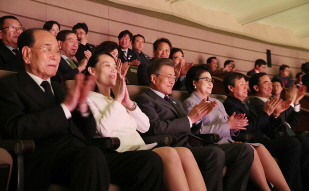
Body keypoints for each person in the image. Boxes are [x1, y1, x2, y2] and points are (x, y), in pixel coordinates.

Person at [0, 29, 164, 191]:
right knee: (91, 155)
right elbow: (15, 128)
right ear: (27, 54)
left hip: (83, 152)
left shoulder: (60, 89)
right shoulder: (10, 86)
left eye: (57, 51)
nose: (54, 56)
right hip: (46, 159)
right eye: (47, 49)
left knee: (149, 161)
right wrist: (65, 108)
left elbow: (87, 132)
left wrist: (83, 110)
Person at [86, 52, 207, 191]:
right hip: (119, 152)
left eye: (115, 66)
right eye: (107, 65)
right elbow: (104, 129)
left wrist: (127, 102)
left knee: (185, 152)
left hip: (140, 147)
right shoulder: (88, 98)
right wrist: (118, 99)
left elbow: (144, 126)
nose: (113, 69)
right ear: (92, 70)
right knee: (169, 153)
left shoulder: (120, 100)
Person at [135, 58, 254, 191]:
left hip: (191, 144)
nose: (172, 80)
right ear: (153, 78)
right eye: (169, 76)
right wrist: (191, 119)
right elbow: (156, 128)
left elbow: (193, 126)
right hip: (173, 147)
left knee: (245, 150)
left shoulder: (175, 101)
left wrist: (197, 118)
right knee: (214, 153)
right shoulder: (145, 99)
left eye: (174, 77)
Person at [183, 65, 290, 191]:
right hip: (211, 144)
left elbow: (229, 127)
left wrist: (235, 126)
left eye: (211, 80)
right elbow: (197, 131)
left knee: (258, 147)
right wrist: (227, 125)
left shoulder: (217, 102)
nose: (210, 83)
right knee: (247, 149)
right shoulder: (190, 103)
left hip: (229, 142)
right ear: (194, 82)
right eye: (206, 79)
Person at [223, 72, 306, 190]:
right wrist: (266, 113)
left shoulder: (246, 104)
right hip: (252, 142)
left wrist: (275, 115)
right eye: (242, 84)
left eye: (245, 84)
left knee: (301, 140)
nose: (246, 87)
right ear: (231, 88)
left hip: (263, 138)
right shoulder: (230, 105)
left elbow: (264, 127)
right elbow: (246, 128)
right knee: (292, 144)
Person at [248, 72, 309, 190]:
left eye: (271, 82)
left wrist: (295, 102)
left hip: (285, 133)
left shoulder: (272, 101)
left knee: (304, 141)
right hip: (272, 137)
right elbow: (276, 121)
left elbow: (293, 122)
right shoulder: (256, 104)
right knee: (296, 142)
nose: (270, 85)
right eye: (266, 83)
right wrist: (291, 101)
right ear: (256, 87)